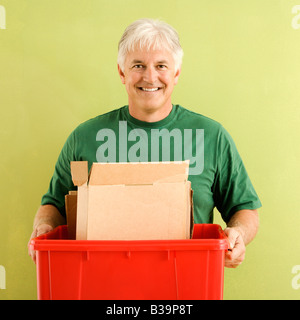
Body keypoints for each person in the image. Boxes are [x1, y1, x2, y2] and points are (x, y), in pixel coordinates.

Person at [28, 18, 261, 268]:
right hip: (100, 284)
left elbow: (244, 209)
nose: (150, 77)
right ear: (121, 72)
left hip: (185, 284)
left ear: (176, 73)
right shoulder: (84, 137)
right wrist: (44, 228)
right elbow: (53, 205)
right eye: (138, 65)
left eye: (161, 66)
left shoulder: (211, 136)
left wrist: (237, 235)